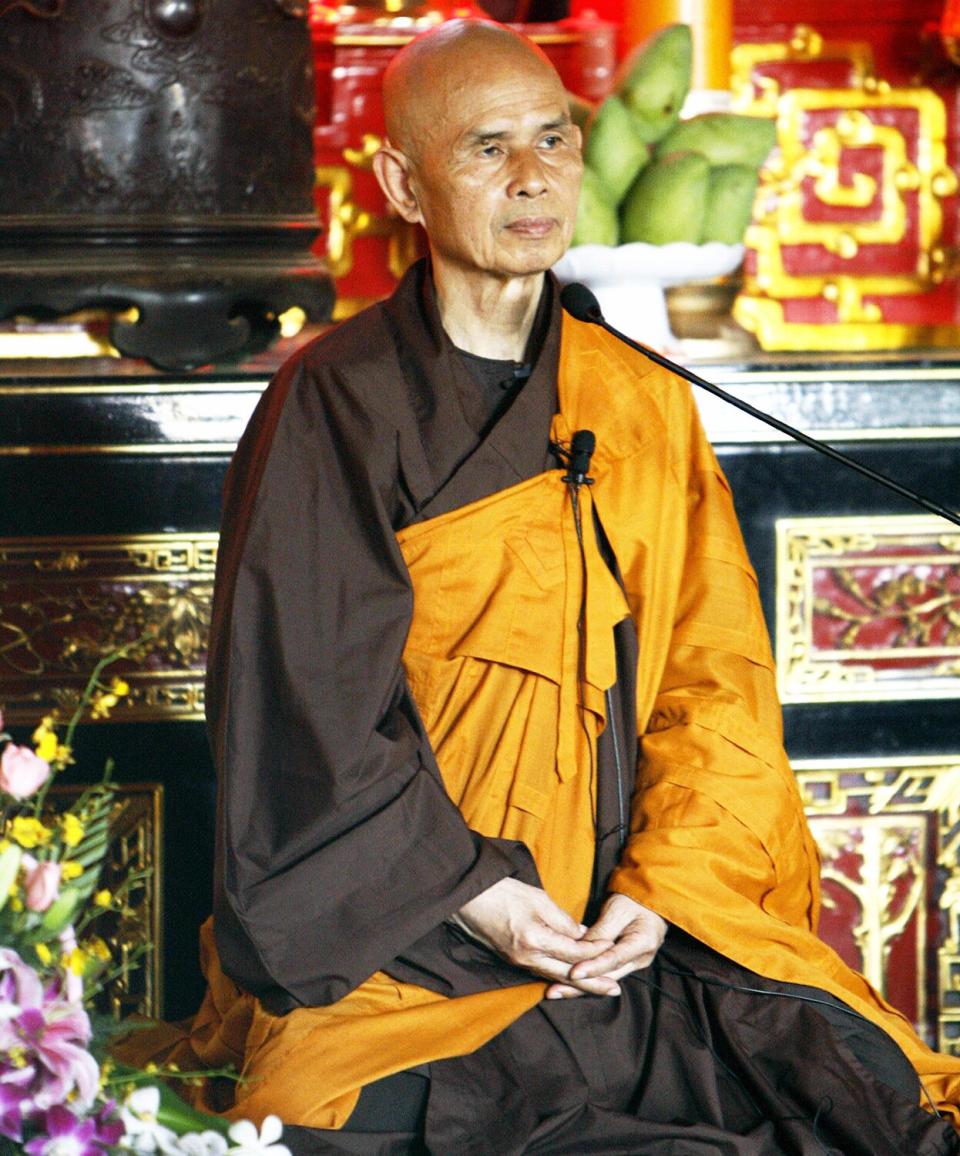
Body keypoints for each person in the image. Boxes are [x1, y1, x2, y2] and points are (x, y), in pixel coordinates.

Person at [178, 16, 960, 1155]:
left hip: (635, 934)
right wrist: (485, 897)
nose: (533, 177)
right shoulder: (337, 403)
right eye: (486, 148)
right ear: (403, 181)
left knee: (871, 1107)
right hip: (411, 946)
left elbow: (716, 685)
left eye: (556, 139)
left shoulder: (641, 398)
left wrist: (662, 887)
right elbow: (311, 720)